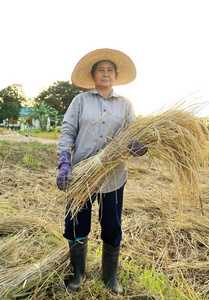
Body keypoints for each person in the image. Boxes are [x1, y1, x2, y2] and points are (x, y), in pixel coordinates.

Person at [56, 48, 147, 295]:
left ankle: (110, 277)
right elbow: (68, 132)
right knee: (76, 223)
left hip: (113, 176)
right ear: (93, 75)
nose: (105, 74)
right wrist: (64, 160)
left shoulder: (126, 104)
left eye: (110, 70)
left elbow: (132, 137)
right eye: (101, 70)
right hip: (82, 176)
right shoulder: (80, 101)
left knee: (111, 225)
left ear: (116, 76)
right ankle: (78, 274)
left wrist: (137, 147)